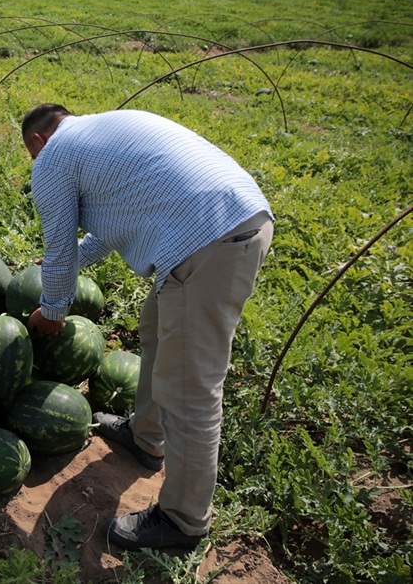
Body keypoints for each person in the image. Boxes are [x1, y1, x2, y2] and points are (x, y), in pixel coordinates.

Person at [21, 104, 273, 550]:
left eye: (31, 155)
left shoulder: (54, 156)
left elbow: (56, 246)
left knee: (190, 391)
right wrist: (75, 260)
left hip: (208, 240)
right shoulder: (105, 129)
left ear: (37, 141)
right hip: (233, 217)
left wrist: (51, 312)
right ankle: (146, 435)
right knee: (156, 326)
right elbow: (114, 224)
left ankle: (183, 521)